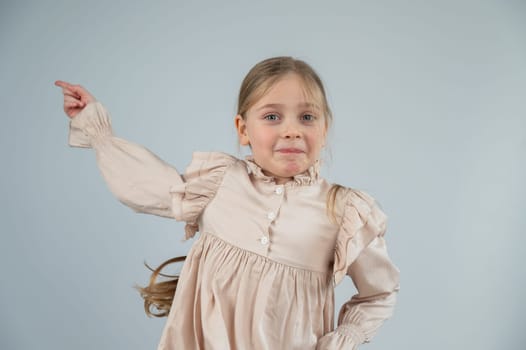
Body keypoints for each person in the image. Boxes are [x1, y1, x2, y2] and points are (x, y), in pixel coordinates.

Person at [55, 56, 400, 350]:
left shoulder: (342, 210)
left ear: (324, 131)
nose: (292, 130)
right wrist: (97, 131)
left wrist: (346, 336)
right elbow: (147, 185)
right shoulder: (220, 181)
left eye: (307, 117)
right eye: (272, 116)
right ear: (243, 129)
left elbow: (379, 292)